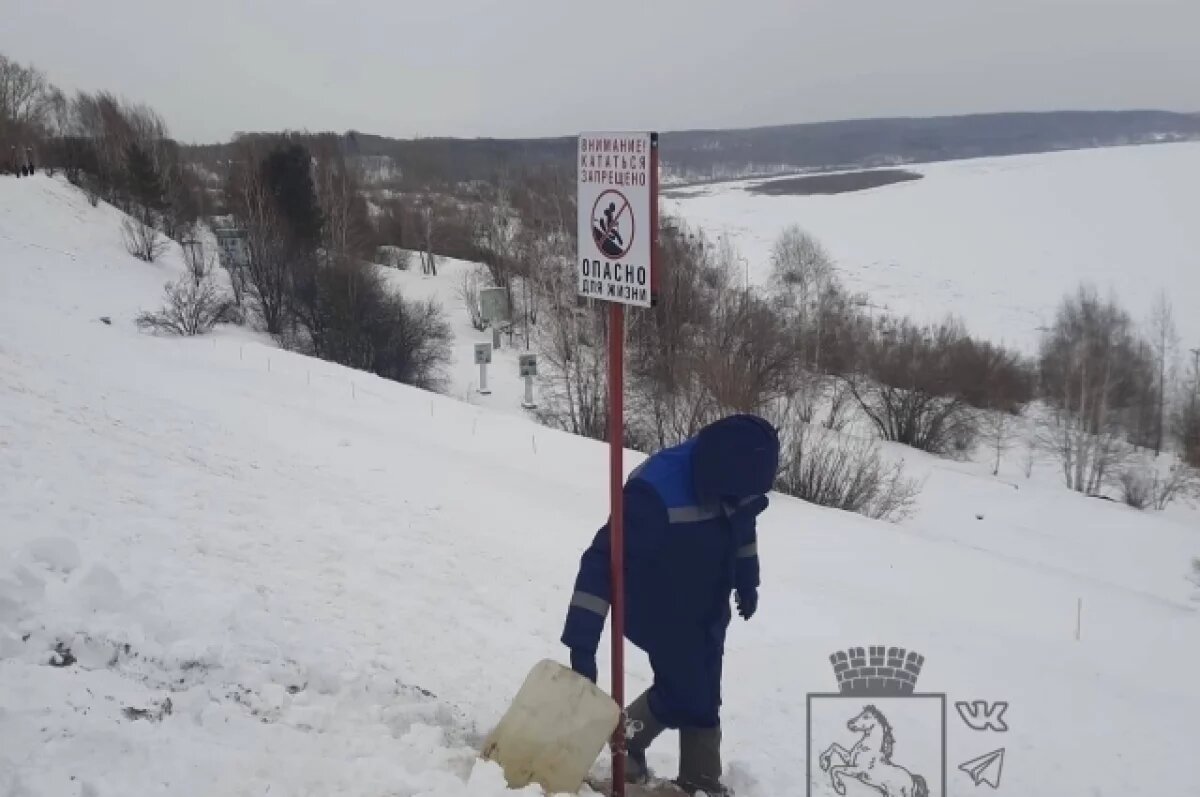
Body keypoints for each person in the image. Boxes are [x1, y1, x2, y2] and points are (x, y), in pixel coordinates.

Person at [561, 414, 779, 796]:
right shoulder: (654, 494)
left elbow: (743, 527)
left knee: (697, 683)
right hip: (652, 600)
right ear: (717, 475)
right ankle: (695, 776)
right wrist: (582, 641)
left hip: (705, 599)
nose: (741, 501)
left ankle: (635, 749)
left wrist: (747, 580)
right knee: (692, 687)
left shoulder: (737, 478)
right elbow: (600, 561)